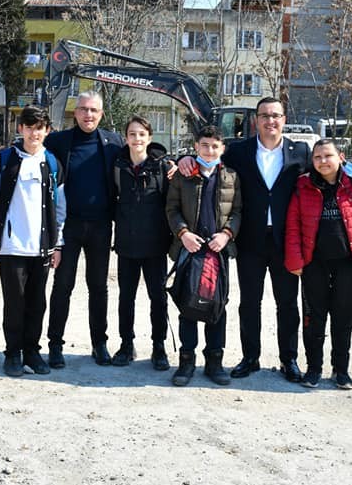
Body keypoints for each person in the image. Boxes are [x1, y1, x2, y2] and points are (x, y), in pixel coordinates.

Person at [178, 97, 311, 382]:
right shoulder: (239, 151)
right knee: (250, 302)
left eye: (275, 115)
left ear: (284, 119)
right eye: (264, 115)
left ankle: (289, 360)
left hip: (285, 240)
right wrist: (184, 159)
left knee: (287, 303)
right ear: (256, 121)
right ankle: (250, 357)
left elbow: (329, 169)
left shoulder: (300, 151)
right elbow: (208, 158)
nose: (270, 121)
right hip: (251, 239)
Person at [284, 139, 352, 389]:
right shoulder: (303, 185)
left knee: (343, 317)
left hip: (347, 264)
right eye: (317, 157)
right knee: (314, 317)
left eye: (328, 156)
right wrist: (294, 259)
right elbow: (293, 225)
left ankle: (341, 370)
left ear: (341, 156)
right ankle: (313, 368)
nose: (323, 161)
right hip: (314, 263)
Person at [0, 105, 66, 377]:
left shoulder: (52, 163)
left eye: (39, 128)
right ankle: (12, 353)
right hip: (11, 246)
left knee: (37, 303)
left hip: (41, 248)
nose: (34, 133)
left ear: (47, 131)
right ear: (20, 129)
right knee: (14, 303)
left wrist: (58, 243)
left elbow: (60, 207)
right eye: (29, 127)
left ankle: (32, 351)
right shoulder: (4, 160)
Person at [41, 90, 124, 368]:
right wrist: (0, 155)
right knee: (62, 285)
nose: (88, 115)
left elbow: (143, 151)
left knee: (98, 287)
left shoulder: (113, 142)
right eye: (83, 109)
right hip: (69, 227)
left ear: (101, 114)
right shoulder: (58, 141)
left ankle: (99, 344)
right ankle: (55, 345)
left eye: (94, 111)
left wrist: (170, 162)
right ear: (75, 113)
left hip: (101, 225)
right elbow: (28, 146)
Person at [165, 125, 242, 386]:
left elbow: (238, 212)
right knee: (188, 305)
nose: (209, 150)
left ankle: (214, 361)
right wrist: (183, 233)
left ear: (223, 149)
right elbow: (171, 209)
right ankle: (186, 361)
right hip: (190, 250)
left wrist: (227, 234)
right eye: (205, 145)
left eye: (215, 146)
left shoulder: (231, 176)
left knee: (217, 305)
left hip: (217, 253)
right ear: (196, 146)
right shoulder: (183, 174)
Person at [110, 115, 173, 370]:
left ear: (149, 138)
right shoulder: (117, 167)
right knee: (126, 298)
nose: (137, 139)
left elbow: (172, 204)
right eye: (132, 134)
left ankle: (159, 347)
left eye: (141, 134)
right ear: (126, 138)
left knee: (157, 298)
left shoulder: (162, 167)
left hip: (156, 246)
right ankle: (126, 344)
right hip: (126, 245)